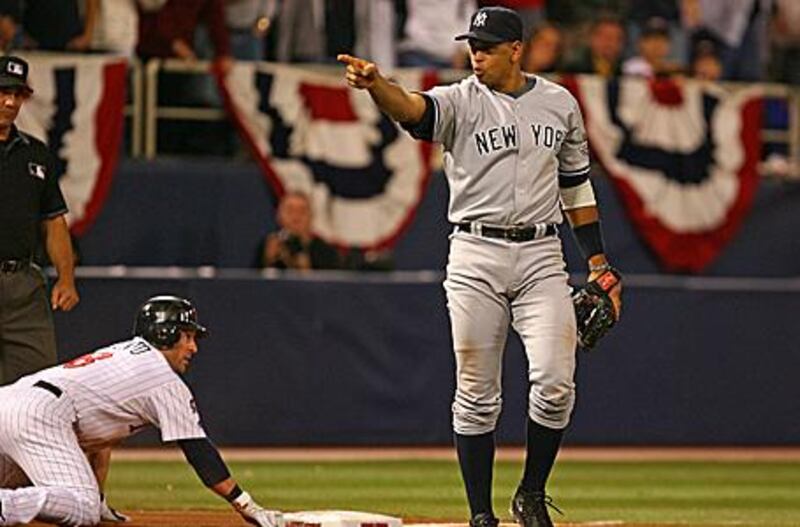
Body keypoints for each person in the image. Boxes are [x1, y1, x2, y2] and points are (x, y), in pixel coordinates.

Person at [338, 6, 621, 527]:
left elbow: (576, 186)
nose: (477, 54)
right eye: (473, 44)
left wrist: (598, 261)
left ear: (517, 49)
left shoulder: (559, 104)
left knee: (557, 383)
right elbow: (413, 110)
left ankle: (531, 494)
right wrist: (378, 84)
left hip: (542, 253)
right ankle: (480, 514)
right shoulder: (460, 99)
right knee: (475, 392)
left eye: (488, 46)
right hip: (475, 253)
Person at [0, 295, 283, 527]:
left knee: (41, 490)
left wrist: (99, 499)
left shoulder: (127, 356)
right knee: (80, 508)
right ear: (166, 332)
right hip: (40, 414)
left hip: (13, 400)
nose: (193, 347)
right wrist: (246, 504)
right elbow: (198, 450)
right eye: (188, 336)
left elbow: (98, 439)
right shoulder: (162, 378)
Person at [0, 55, 79, 387]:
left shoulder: (36, 155)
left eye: (18, 95)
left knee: (40, 389)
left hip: (23, 287)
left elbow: (54, 221)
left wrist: (66, 277)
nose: (9, 101)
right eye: (2, 92)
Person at [261, 191, 340, 270]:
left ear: (311, 216)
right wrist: (267, 261)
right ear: (279, 216)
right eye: (290, 211)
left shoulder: (325, 252)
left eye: (302, 211)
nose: (296, 217)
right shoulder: (268, 246)